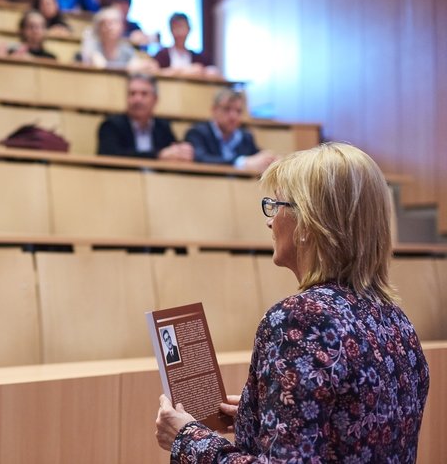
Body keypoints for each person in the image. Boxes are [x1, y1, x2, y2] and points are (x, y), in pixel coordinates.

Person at [156, 142, 430, 463]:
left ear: (307, 222)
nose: (269, 222)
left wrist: (188, 439)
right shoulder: (396, 319)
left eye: (276, 205)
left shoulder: (299, 318)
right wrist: (254, 414)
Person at [97, 74, 193, 161]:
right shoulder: (111, 126)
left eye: (144, 94)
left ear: (155, 100)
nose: (137, 99)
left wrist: (181, 151)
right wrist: (157, 156)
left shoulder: (163, 126)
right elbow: (111, 157)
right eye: (132, 94)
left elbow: (171, 151)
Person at [184, 88, 277, 171]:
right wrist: (241, 162)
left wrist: (268, 159)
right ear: (214, 110)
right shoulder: (197, 133)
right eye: (227, 109)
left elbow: (256, 157)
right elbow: (200, 159)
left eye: (238, 111)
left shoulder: (246, 137)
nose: (233, 116)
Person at [80, 7, 156, 72]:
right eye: (104, 24)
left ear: (121, 27)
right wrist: (129, 68)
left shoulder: (125, 48)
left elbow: (137, 65)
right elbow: (101, 67)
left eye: (113, 23)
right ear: (98, 29)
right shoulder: (92, 46)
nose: (109, 27)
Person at [154, 12, 218, 77]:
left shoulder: (199, 58)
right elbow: (154, 72)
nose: (179, 33)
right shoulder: (161, 56)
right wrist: (184, 71)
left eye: (182, 27)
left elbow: (212, 71)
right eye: (175, 28)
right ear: (171, 30)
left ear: (189, 29)